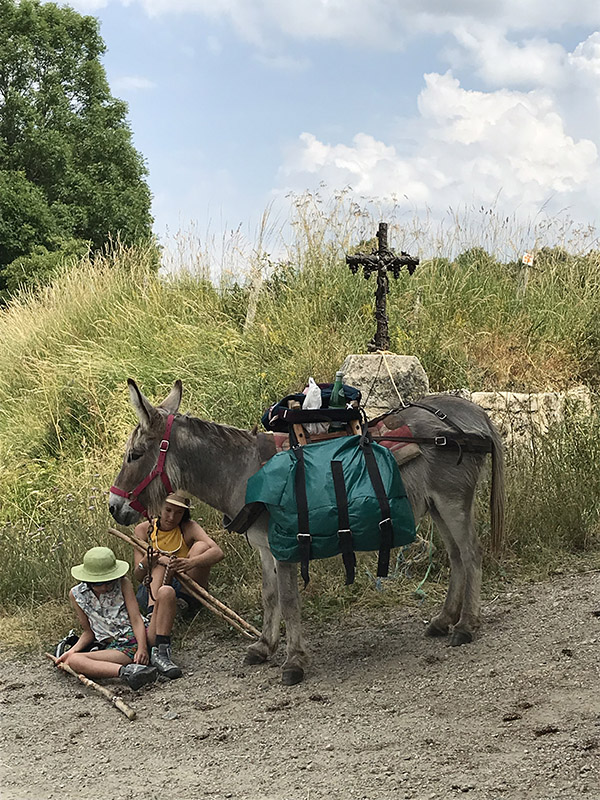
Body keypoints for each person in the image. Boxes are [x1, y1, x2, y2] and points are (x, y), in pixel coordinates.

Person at [133, 490, 224, 672]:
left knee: (201, 547)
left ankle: (184, 603)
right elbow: (138, 575)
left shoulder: (188, 527)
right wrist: (148, 561)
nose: (172, 517)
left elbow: (218, 552)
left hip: (182, 586)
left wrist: (190, 562)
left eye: (179, 512)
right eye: (168, 510)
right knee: (160, 563)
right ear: (159, 507)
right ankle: (153, 614)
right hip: (153, 590)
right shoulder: (143, 530)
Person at [56, 546, 163, 689]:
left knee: (75, 661)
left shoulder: (123, 584)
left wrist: (142, 648)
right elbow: (89, 632)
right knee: (73, 659)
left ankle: (133, 668)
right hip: (115, 647)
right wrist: (71, 651)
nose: (106, 587)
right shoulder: (76, 595)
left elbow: (136, 619)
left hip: (134, 638)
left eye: (110, 581)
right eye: (99, 583)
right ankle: (129, 672)